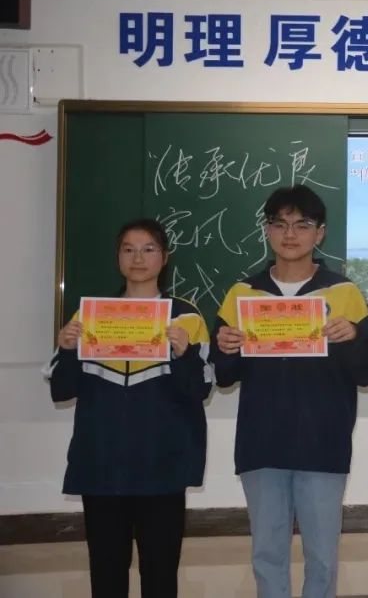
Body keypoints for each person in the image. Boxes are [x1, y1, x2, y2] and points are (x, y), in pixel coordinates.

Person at [210, 185, 368, 598]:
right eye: (280, 224)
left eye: (302, 225)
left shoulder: (344, 293)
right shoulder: (242, 294)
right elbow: (224, 376)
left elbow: (364, 373)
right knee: (267, 554)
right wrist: (225, 347)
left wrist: (353, 337)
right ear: (267, 230)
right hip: (261, 443)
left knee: (322, 557)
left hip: (323, 443)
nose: (290, 234)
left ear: (320, 233)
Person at [48, 218, 211, 598]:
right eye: (129, 249)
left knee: (160, 575)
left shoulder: (187, 317)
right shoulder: (90, 316)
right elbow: (61, 390)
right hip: (102, 467)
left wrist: (185, 354)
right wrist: (67, 349)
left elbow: (200, 388)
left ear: (164, 257)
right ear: (118, 257)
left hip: (163, 468)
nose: (138, 258)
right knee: (106, 574)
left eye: (148, 249)